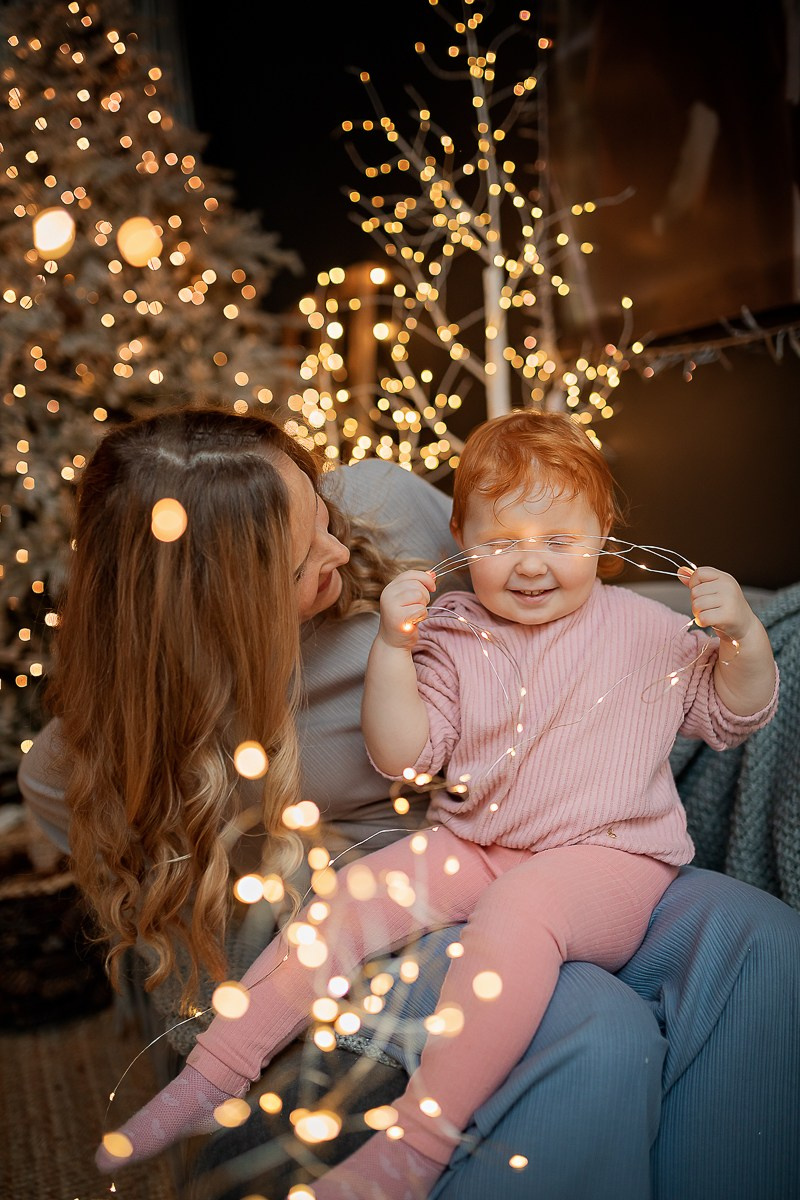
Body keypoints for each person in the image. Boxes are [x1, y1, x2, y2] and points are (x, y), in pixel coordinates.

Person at [18, 406, 800, 1200]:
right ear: (217, 599)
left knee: (766, 946)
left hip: (552, 851)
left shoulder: (387, 508)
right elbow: (168, 889)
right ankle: (354, 1135)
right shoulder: (100, 747)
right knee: (595, 1028)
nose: (335, 546)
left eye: (319, 510)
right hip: (392, 897)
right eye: (299, 561)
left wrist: (749, 624)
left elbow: (563, 603)